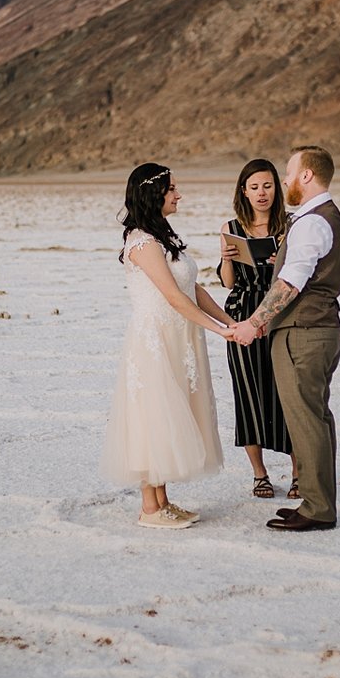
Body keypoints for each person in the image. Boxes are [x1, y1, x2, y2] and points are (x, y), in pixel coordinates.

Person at [102, 163, 232, 528]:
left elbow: (194, 290)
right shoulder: (141, 241)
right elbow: (174, 297)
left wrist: (228, 322)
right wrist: (219, 332)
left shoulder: (163, 236)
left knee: (172, 415)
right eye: (172, 188)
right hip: (155, 340)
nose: (178, 194)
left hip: (180, 337)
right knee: (153, 418)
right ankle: (149, 508)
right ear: (153, 194)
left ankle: (162, 500)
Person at [229, 146, 340, 532]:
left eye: (288, 174)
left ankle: (317, 508)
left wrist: (255, 323)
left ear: (307, 176)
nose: (283, 182)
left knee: (307, 420)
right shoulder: (320, 217)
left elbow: (291, 281)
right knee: (316, 417)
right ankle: (318, 501)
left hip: (305, 334)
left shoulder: (312, 222)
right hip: (318, 329)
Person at [218, 159, 297, 499]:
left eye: (267, 186)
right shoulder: (232, 226)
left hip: (280, 314)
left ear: (277, 189)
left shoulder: (289, 226)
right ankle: (260, 474)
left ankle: (299, 473)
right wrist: (226, 257)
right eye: (254, 187)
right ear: (243, 192)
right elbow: (227, 282)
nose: (261, 193)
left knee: (288, 394)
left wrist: (279, 259)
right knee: (248, 394)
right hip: (242, 314)